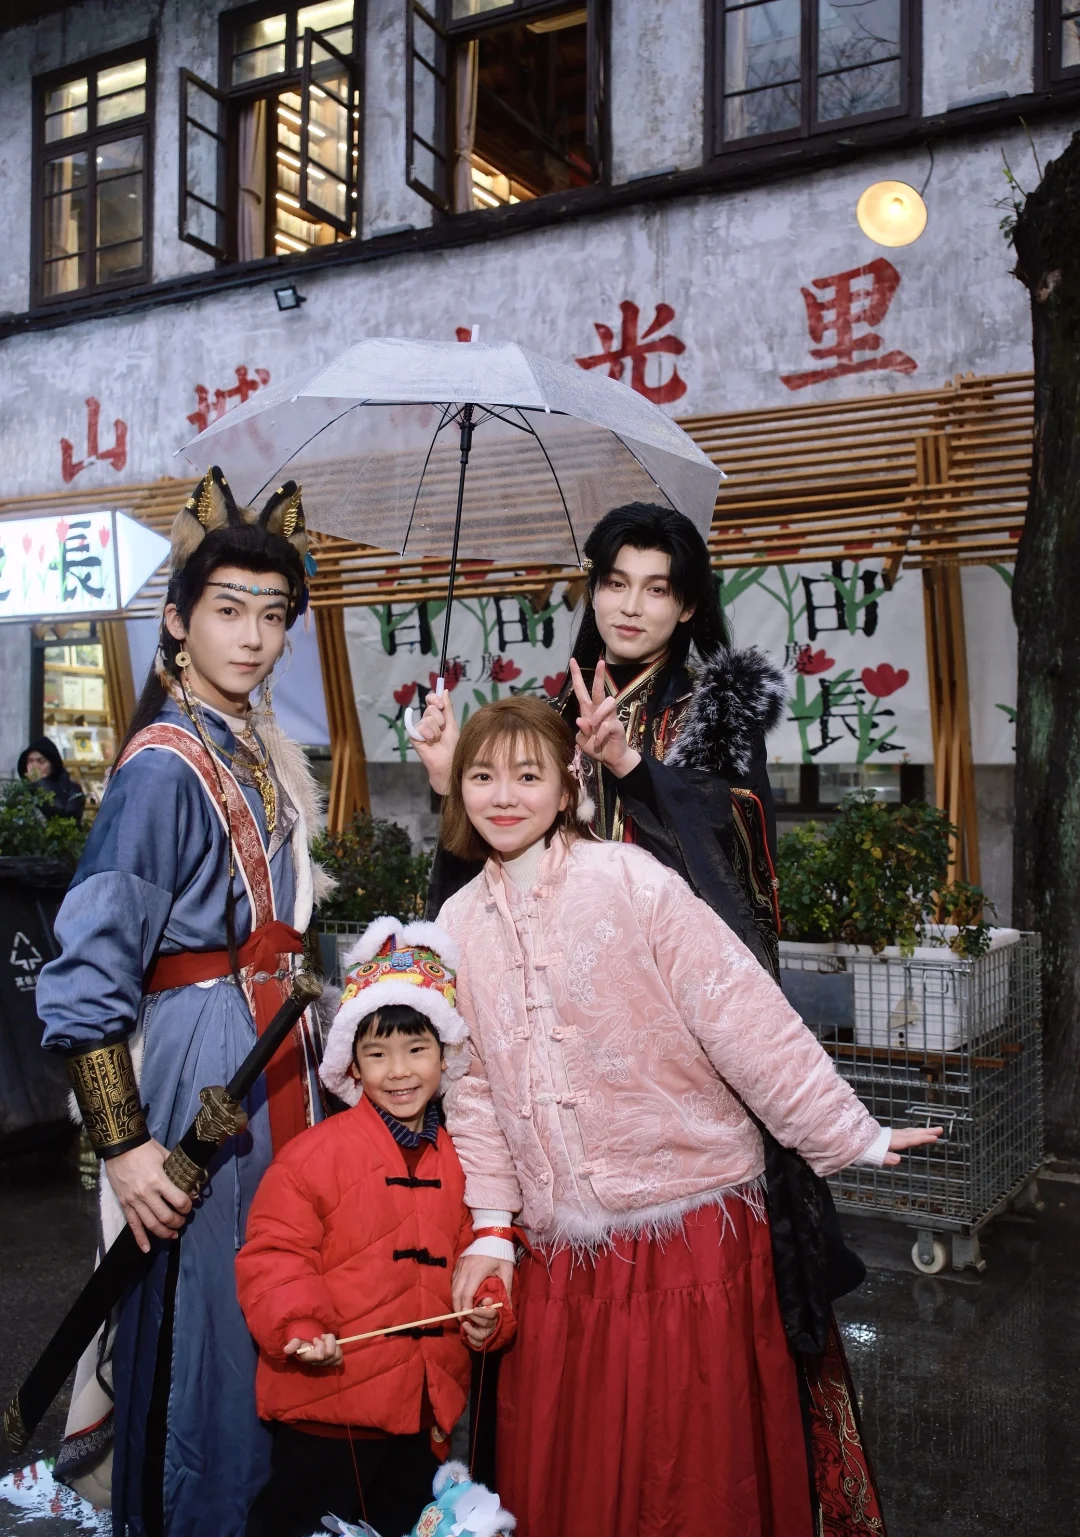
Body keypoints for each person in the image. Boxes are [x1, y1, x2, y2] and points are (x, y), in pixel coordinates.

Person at [434, 695, 942, 1537]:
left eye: (528, 774)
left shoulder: (630, 879)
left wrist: (851, 1131)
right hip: (560, 1244)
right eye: (483, 775)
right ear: (459, 790)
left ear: (568, 785)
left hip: (688, 1224)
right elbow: (473, 1089)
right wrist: (491, 1226)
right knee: (581, 1470)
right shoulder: (454, 924)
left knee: (695, 1472)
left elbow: (738, 1010)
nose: (505, 795)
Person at [36, 467, 329, 1537]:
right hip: (202, 1067)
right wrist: (123, 1147)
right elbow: (86, 974)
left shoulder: (253, 749)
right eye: (229, 609)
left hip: (275, 1052)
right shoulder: (162, 767)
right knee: (200, 1319)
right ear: (177, 619)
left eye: (273, 614)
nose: (253, 636)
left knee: (271, 1294)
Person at [416, 501, 786, 970]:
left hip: (668, 967)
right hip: (555, 962)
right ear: (593, 593)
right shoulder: (553, 717)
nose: (631, 607)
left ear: (688, 606)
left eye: (657, 589)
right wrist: (452, 782)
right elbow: (500, 850)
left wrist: (628, 766)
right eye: (616, 584)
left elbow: (730, 849)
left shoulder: (717, 712)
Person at [237, 917, 512, 1537]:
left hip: (422, 1411)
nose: (399, 1070)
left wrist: (489, 1310)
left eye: (417, 1050)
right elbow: (276, 1254)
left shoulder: (464, 1163)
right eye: (378, 1054)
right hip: (327, 1407)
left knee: (403, 1523)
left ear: (445, 1056)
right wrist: (299, 1325)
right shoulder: (313, 1156)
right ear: (353, 1066)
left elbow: (480, 1254)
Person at [18, 735, 85, 823]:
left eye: (41, 761)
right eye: (30, 761)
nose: (34, 767)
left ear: (53, 764)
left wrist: (40, 783)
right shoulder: (22, 792)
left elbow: (65, 816)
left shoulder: (72, 789)